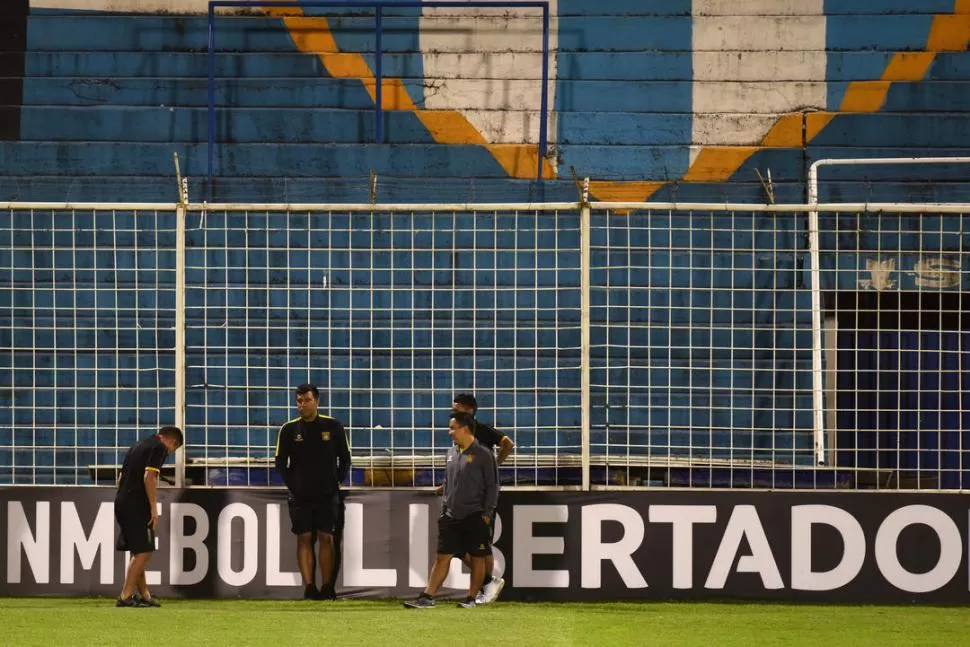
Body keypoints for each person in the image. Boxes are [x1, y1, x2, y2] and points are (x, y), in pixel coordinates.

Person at [405, 412, 498, 609]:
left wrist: (486, 514)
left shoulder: (483, 454)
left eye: (453, 428)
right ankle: (427, 597)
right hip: (450, 515)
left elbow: (492, 486)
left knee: (477, 557)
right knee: (442, 556)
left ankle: (471, 598)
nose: (450, 432)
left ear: (465, 429)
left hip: (475, 514)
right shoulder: (451, 453)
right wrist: (444, 508)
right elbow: (448, 482)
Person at [275, 383, 351, 600]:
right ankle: (309, 587)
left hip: (328, 494)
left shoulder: (333, 426)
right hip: (300, 496)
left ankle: (327, 587)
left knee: (327, 538)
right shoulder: (289, 430)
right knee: (304, 538)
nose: (302, 405)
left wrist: (335, 481)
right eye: (299, 401)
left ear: (317, 401)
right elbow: (280, 463)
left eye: (307, 400)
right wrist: (294, 485)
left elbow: (345, 458)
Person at [451, 393, 514, 603]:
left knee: (480, 544)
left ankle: (485, 586)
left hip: (481, 496)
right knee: (462, 545)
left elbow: (508, 443)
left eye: (457, 408)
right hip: (465, 495)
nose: (453, 412)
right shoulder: (459, 433)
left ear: (469, 410)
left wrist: (495, 465)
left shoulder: (481, 431)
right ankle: (487, 583)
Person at [114, 425, 183, 608]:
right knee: (144, 551)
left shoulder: (139, 445)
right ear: (172, 441)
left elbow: (120, 478)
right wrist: (153, 508)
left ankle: (144, 595)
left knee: (138, 550)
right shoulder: (158, 448)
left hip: (122, 501)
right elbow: (149, 478)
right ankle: (125, 596)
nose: (170, 452)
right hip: (136, 503)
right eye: (173, 449)